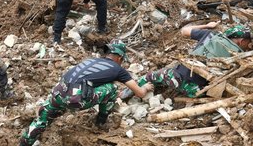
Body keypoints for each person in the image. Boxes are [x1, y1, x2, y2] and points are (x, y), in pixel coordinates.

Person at [19, 40, 154, 146]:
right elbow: (140, 93)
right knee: (111, 89)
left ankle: (25, 143)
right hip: (76, 99)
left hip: (58, 92)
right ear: (119, 57)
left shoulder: (91, 61)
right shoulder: (118, 69)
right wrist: (146, 87)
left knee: (43, 118)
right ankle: (101, 122)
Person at [122, 22, 252, 99]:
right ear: (242, 41)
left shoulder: (211, 35)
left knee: (151, 76)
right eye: (248, 43)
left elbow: (184, 31)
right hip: (196, 91)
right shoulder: (240, 57)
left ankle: (127, 93)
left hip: (177, 78)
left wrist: (207, 25)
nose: (249, 46)